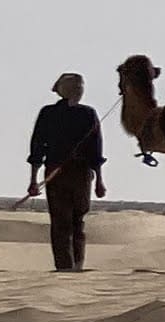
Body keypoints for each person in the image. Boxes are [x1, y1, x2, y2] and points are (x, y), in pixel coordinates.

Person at [25, 71, 107, 272]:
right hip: (57, 173)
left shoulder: (87, 113)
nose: (79, 91)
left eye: (81, 88)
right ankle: (65, 266)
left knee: (77, 220)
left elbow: (96, 149)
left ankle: (75, 265)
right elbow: (37, 147)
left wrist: (99, 180)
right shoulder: (49, 113)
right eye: (77, 88)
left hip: (81, 173)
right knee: (62, 222)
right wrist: (33, 180)